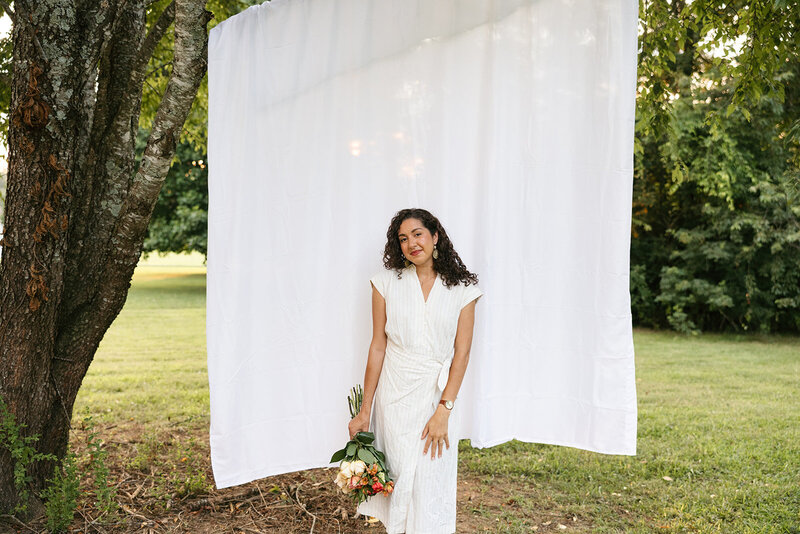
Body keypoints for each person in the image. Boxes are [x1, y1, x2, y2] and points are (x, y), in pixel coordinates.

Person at [349, 208, 484, 534]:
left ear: (435, 236)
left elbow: (462, 355)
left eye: (418, 234)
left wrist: (444, 410)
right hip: (395, 399)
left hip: (435, 399)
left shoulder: (463, 290)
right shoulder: (385, 283)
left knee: (430, 485)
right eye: (403, 238)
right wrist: (365, 410)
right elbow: (378, 346)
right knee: (399, 483)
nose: (411, 243)